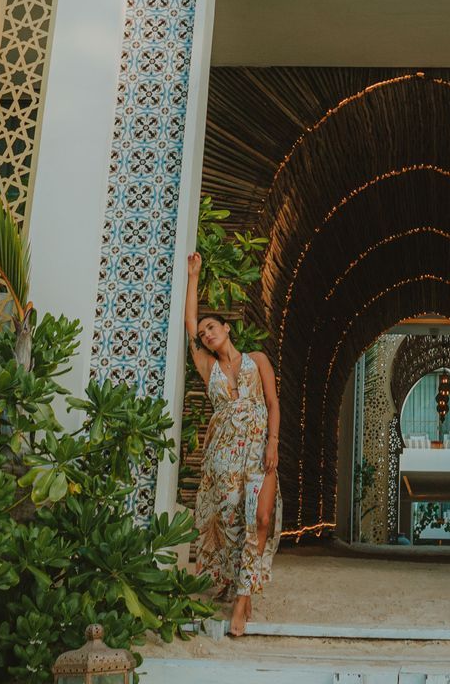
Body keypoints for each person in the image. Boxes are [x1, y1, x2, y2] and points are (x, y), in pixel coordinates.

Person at [184, 250, 281, 634]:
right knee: (229, 524)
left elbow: (272, 404)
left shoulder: (257, 360)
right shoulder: (207, 367)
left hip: (258, 452)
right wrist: (194, 277)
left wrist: (273, 443)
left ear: (226, 328)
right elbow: (189, 326)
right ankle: (241, 584)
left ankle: (241, 601)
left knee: (260, 518)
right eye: (203, 334)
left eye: (212, 327)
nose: (207, 334)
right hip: (223, 458)